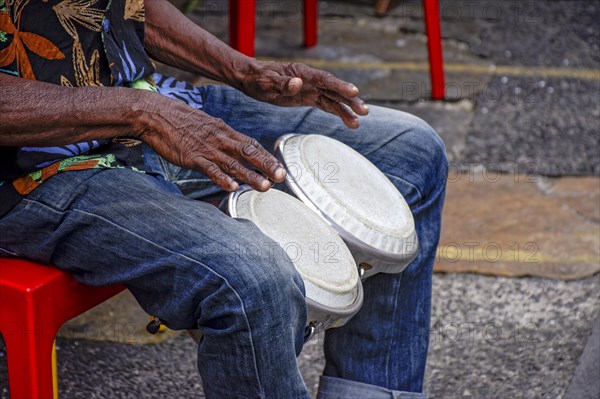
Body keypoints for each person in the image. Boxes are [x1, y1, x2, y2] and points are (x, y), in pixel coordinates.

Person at [0, 1, 448, 398]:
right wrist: (140, 115)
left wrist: (241, 70)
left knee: (411, 153)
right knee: (255, 276)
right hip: (34, 170)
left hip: (149, 102)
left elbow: (119, 8)